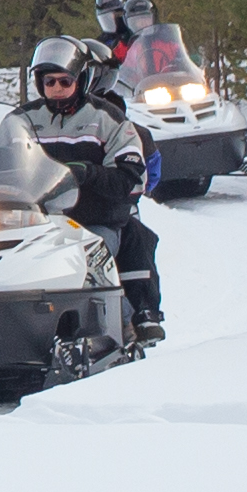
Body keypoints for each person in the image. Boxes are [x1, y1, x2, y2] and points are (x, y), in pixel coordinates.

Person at [18, 34, 162, 342]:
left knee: (98, 256)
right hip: (33, 221)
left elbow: (129, 174)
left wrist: (89, 173)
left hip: (91, 220)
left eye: (64, 81)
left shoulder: (107, 118)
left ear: (80, 80)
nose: (56, 88)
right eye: (49, 81)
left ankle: (116, 328)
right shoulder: (23, 119)